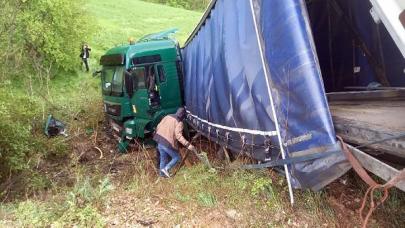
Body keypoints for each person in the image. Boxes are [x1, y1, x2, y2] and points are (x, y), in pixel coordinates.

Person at [153, 107, 195, 177]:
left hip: (159, 141)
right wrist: (188, 145)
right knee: (177, 158)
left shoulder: (168, 116)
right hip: (166, 144)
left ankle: (162, 176)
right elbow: (178, 136)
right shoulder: (179, 123)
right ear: (183, 116)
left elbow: (158, 126)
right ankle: (166, 169)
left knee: (163, 159)